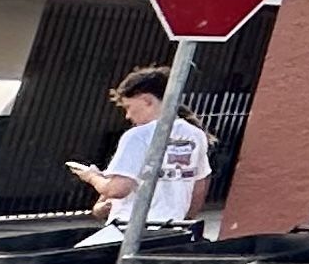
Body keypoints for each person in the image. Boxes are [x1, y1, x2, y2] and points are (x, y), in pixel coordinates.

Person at [67, 67, 213, 246]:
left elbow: (117, 190)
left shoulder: (137, 136)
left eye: (129, 107)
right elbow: (200, 185)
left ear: (147, 100)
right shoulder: (195, 134)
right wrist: (184, 220)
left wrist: (91, 176)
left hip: (129, 229)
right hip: (172, 230)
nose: (128, 116)